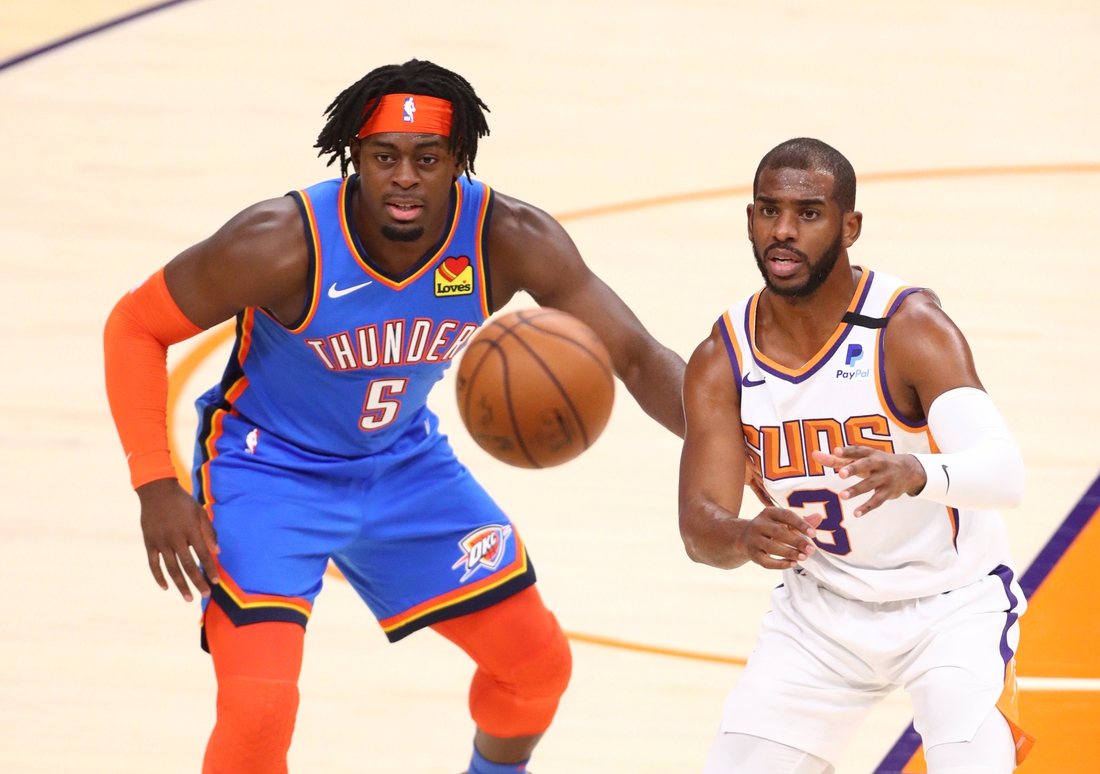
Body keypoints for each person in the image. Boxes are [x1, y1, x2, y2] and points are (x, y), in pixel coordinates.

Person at [103, 59, 686, 774]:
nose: (404, 176)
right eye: (384, 156)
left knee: (536, 668)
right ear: (354, 157)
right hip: (269, 470)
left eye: (426, 157)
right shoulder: (280, 243)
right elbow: (134, 325)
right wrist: (156, 484)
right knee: (258, 710)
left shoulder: (509, 239)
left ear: (458, 162)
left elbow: (635, 356)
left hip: (402, 464)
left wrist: (742, 450)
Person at [678, 138, 1035, 774]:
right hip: (821, 612)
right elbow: (699, 527)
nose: (783, 231)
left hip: (951, 604)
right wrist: (741, 535)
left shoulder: (909, 328)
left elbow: (1005, 474)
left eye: (808, 213)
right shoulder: (723, 357)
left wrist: (917, 470)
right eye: (768, 210)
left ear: (850, 227)